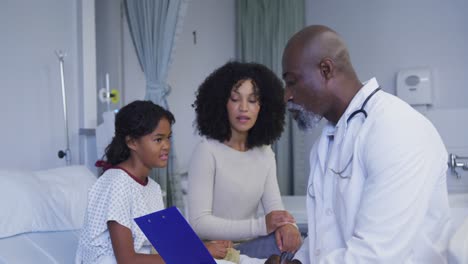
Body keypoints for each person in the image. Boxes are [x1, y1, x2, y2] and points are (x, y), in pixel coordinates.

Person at [266, 25, 452, 263]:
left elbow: (376, 257)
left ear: (326, 70)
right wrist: (296, 261)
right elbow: (324, 236)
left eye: (292, 82)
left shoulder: (396, 128)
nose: (287, 96)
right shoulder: (325, 145)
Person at [75, 100, 232, 264]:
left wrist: (206, 247)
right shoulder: (117, 183)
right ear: (132, 142)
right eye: (158, 139)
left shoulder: (153, 188)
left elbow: (167, 246)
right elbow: (127, 260)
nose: (166, 146)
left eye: (168, 138)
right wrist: (200, 252)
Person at [188, 61, 302, 259]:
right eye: (235, 99)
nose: (243, 108)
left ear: (262, 106)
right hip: (214, 250)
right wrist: (261, 225)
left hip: (250, 245)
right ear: (222, 104)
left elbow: (275, 206)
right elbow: (199, 223)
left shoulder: (265, 153)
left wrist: (289, 226)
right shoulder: (206, 151)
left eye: (252, 100)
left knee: (298, 244)